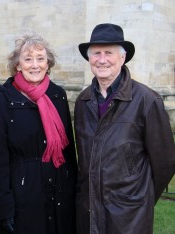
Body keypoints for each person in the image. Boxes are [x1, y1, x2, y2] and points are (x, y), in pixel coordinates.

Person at [74, 23, 175, 234]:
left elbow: (164, 164)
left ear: (122, 57)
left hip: (129, 218)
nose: (102, 59)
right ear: (89, 59)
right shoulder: (83, 101)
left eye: (109, 52)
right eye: (96, 53)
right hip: (89, 212)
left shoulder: (147, 101)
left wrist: (140, 200)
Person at [0, 33, 77, 234]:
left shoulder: (58, 95)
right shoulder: (2, 100)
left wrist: (73, 191)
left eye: (40, 58)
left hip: (59, 191)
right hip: (24, 194)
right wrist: (4, 208)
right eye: (28, 59)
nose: (35, 65)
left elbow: (68, 152)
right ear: (18, 65)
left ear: (48, 64)